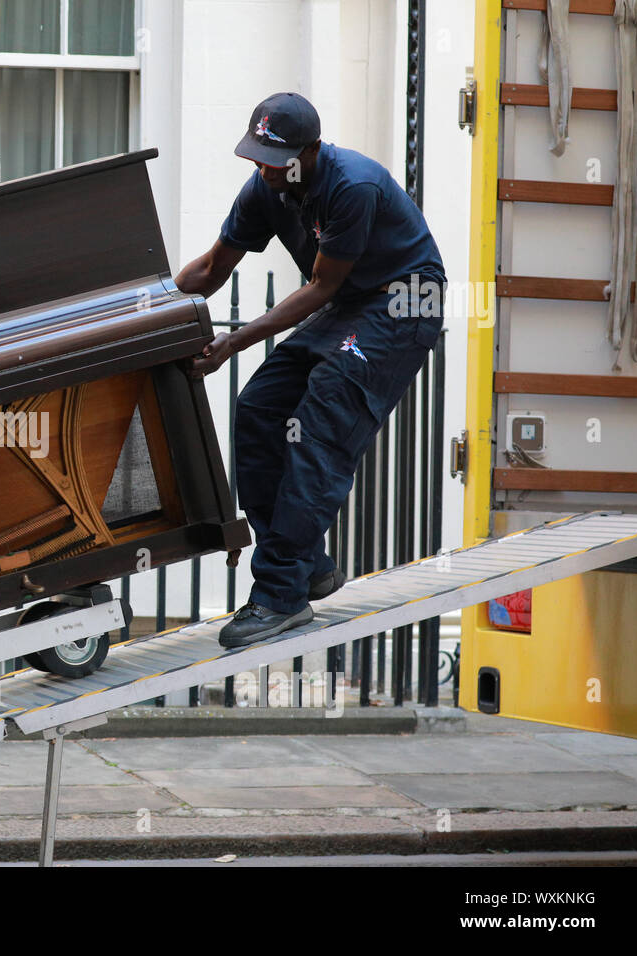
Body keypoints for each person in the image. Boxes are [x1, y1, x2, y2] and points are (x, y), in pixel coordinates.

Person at [176, 92, 445, 649]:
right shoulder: (264, 189)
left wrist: (231, 344)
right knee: (259, 408)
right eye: (257, 154)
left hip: (402, 304)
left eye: (276, 157)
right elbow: (209, 269)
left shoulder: (354, 186)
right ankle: (308, 565)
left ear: (312, 150)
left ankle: (279, 596)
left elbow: (322, 286)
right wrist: (140, 305)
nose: (263, 167)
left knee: (320, 423)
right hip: (350, 303)